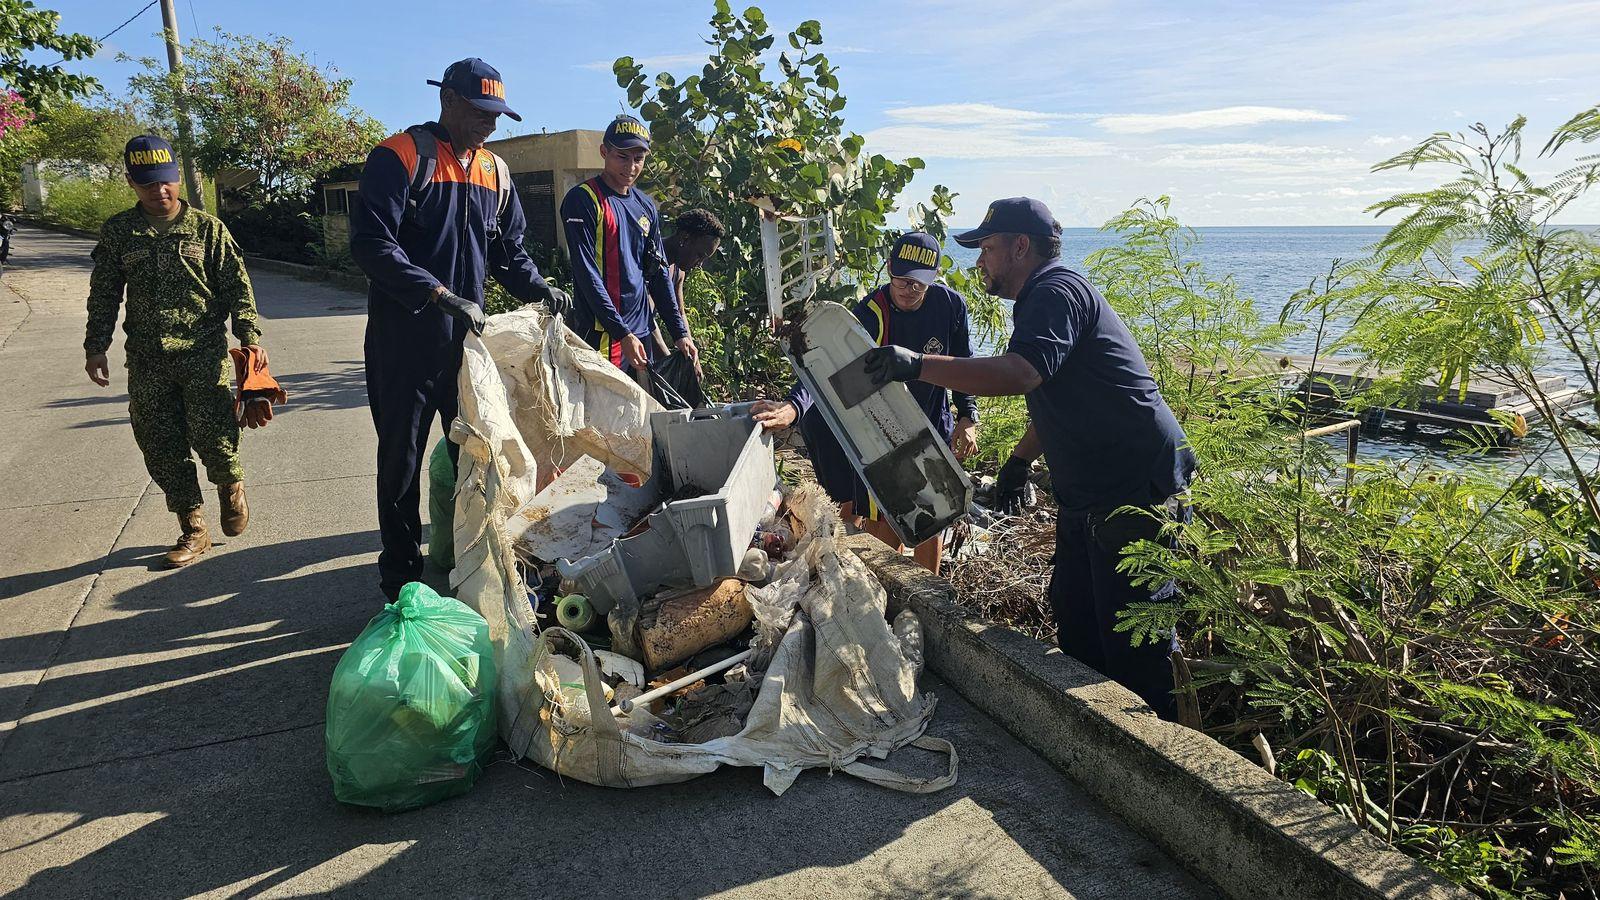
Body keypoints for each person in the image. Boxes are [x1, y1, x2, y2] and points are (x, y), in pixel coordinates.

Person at [860, 198, 1196, 719]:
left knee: (1136, 647)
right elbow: (1057, 395)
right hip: (1089, 493)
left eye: (988, 249)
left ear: (1021, 247)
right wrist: (1019, 460)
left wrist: (917, 365)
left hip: (1135, 490)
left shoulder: (1057, 290)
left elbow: (1021, 374)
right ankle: (1098, 748)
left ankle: (1168, 768)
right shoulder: (1040, 299)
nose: (980, 263)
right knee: (1079, 626)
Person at [349, 58, 567, 602]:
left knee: (476, 459)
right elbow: (373, 245)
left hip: (466, 347)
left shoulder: (495, 171)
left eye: (496, 115)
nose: (488, 124)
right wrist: (439, 295)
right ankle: (400, 581)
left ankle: (470, 568)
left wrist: (539, 288)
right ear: (446, 101)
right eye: (478, 112)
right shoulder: (400, 157)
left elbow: (507, 252)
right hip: (405, 343)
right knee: (401, 462)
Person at [84, 134, 264, 568]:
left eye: (166, 182)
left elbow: (238, 290)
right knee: (160, 444)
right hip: (146, 358)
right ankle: (193, 528)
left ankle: (229, 485)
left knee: (215, 437)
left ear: (178, 179)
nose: (159, 191)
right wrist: (96, 346)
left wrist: (251, 343)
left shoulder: (208, 230)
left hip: (203, 352)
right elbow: (104, 293)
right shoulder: (119, 232)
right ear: (132, 182)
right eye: (148, 184)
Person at [751, 232, 979, 573]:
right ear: (888, 268)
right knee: (886, 518)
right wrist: (794, 406)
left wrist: (968, 414)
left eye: (917, 284)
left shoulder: (950, 307)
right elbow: (825, 369)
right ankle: (886, 587)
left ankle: (931, 588)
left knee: (934, 514)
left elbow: (963, 365)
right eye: (900, 279)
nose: (906, 289)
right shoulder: (871, 313)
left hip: (931, 424)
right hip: (882, 432)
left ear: (933, 279)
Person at [561, 115, 698, 376]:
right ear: (604, 152)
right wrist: (621, 332)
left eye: (639, 158)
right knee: (607, 414)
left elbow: (658, 273)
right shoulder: (584, 200)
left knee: (643, 413)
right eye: (622, 157)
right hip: (605, 334)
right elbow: (585, 272)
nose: (631, 167)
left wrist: (680, 333)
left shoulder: (645, 205)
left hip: (640, 332)